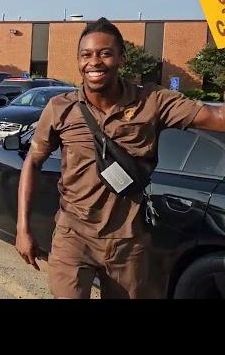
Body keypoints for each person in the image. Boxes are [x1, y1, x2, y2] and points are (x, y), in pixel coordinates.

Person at [15, 17, 225, 299]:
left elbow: (215, 117)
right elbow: (33, 161)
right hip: (72, 235)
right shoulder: (60, 108)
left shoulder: (152, 101)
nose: (94, 62)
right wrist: (23, 228)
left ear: (121, 59)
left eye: (105, 53)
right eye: (86, 55)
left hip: (128, 242)